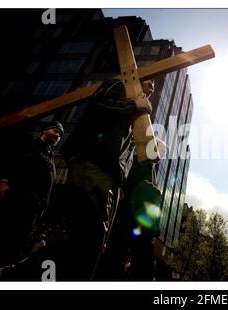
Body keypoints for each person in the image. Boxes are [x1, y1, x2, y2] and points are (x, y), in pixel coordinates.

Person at [59, 78, 157, 280]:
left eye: (153, 86)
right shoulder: (118, 85)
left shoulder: (136, 118)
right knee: (85, 240)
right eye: (149, 80)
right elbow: (96, 107)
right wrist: (132, 105)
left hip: (109, 179)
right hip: (93, 165)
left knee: (88, 243)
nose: (152, 86)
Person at [0, 121, 64, 269]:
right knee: (7, 238)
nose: (57, 135)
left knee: (18, 244)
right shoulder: (29, 145)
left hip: (34, 210)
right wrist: (4, 181)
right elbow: (13, 162)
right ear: (44, 131)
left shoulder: (51, 156)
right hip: (19, 201)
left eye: (60, 134)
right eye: (55, 130)